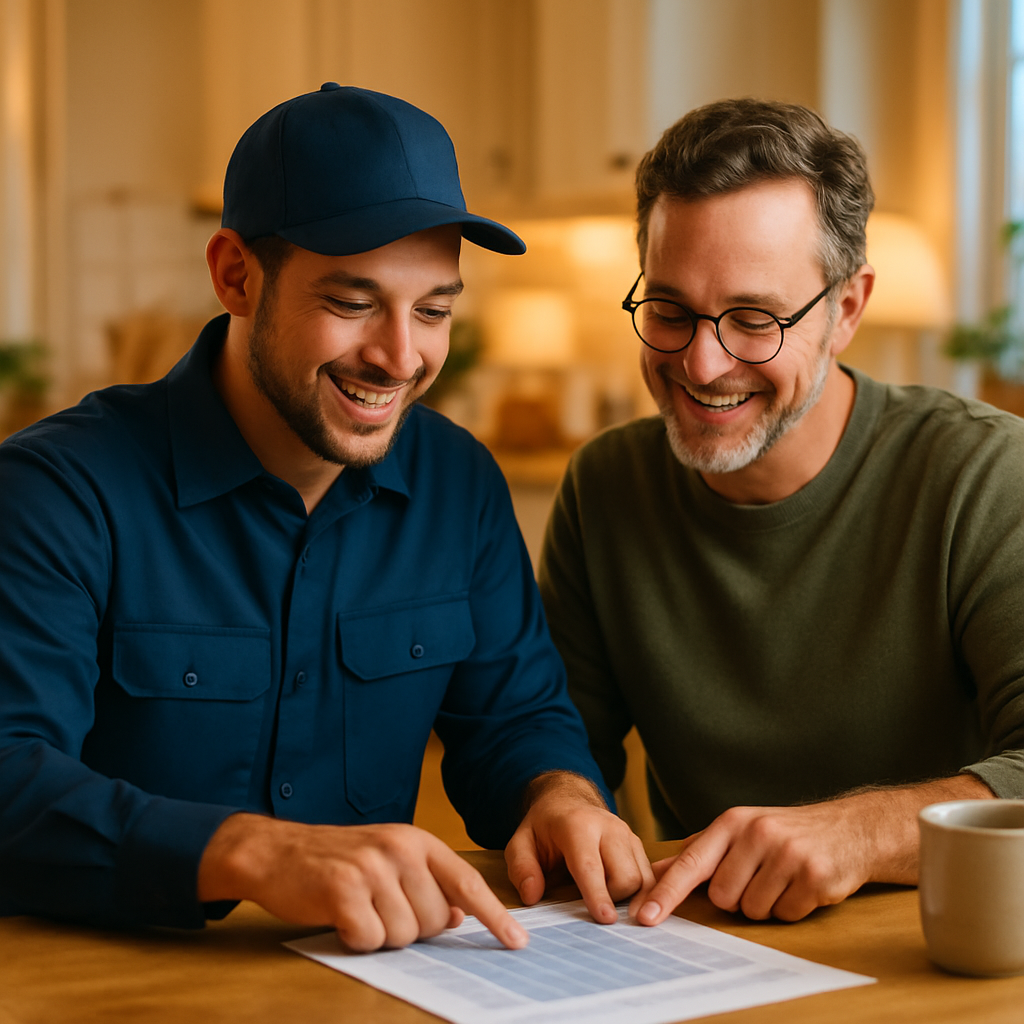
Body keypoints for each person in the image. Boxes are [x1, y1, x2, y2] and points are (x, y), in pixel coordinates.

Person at [0, 84, 652, 951]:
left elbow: (515, 719)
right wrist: (249, 853)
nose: (400, 357)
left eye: (434, 310)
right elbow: (9, 778)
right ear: (235, 274)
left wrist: (558, 795)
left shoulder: (460, 484)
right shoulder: (57, 491)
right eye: (352, 303)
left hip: (376, 982)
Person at [538, 97, 1024, 927]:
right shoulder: (604, 487)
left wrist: (860, 834)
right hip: (695, 949)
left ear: (847, 309)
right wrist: (558, 797)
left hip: (929, 954)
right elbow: (553, 735)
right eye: (669, 310)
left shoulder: (984, 475)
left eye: (755, 319)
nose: (702, 361)